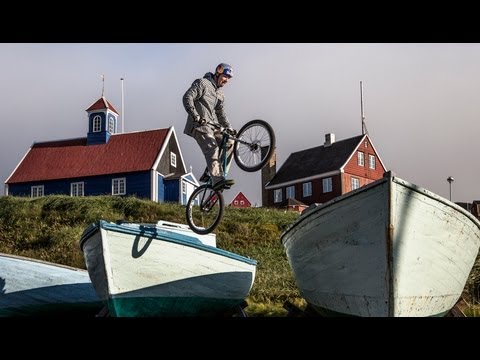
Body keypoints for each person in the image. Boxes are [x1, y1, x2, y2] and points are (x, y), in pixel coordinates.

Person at [183, 63, 236, 190]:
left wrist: (230, 128)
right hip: (199, 125)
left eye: (229, 78)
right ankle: (217, 178)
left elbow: (221, 115)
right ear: (218, 73)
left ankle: (214, 173)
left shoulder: (220, 95)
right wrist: (195, 115)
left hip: (212, 126)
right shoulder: (202, 83)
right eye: (225, 76)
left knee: (230, 141)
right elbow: (187, 97)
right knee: (212, 148)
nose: (226, 80)